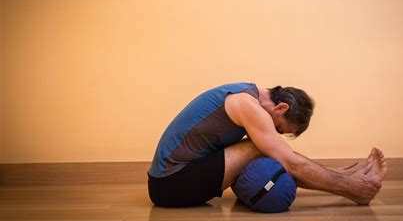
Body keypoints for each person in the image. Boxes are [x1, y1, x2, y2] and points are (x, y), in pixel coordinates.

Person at [147, 82, 388, 207]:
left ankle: (344, 176)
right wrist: (350, 187)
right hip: (170, 185)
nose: (276, 133)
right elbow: (290, 164)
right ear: (281, 107)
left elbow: (286, 157)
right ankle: (354, 188)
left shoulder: (248, 93)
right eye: (280, 128)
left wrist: (340, 172)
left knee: (265, 147)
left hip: (173, 181)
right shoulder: (247, 105)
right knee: (257, 147)